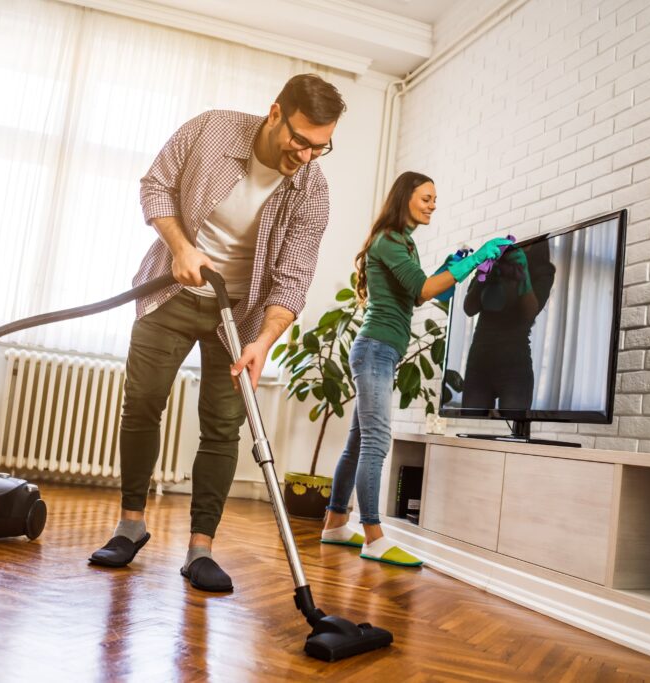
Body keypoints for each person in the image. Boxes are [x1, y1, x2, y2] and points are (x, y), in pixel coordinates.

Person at [88, 74, 346, 593]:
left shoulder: (312, 190)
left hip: (242, 316)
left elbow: (292, 278)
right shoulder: (212, 130)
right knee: (142, 403)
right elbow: (155, 184)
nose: (309, 155)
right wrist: (182, 246)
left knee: (225, 426)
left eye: (323, 146)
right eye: (301, 139)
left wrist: (263, 341)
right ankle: (131, 526)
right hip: (172, 291)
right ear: (275, 113)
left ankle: (200, 548)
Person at [319, 171, 511, 566]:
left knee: (358, 442)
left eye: (435, 199)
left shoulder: (403, 243)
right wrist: (476, 259)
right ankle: (373, 536)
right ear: (405, 197)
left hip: (381, 350)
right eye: (427, 197)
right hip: (375, 349)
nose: (433, 205)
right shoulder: (389, 240)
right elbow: (424, 290)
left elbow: (417, 294)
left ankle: (336, 524)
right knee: (376, 441)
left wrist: (448, 266)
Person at [461, 239, 556, 412]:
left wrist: (524, 276)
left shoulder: (543, 271)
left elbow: (529, 313)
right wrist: (485, 275)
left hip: (515, 363)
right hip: (479, 361)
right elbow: (469, 308)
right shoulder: (494, 259)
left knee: (515, 426)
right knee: (470, 417)